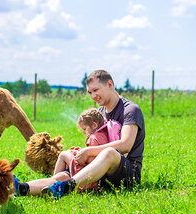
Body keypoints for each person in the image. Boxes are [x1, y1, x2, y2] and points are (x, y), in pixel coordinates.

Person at [14, 69, 145, 198]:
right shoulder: (100, 113)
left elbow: (126, 144)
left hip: (127, 174)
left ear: (110, 85)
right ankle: (21, 188)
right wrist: (82, 152)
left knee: (109, 152)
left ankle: (67, 187)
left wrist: (89, 151)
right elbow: (97, 142)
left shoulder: (130, 109)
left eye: (96, 90)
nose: (93, 96)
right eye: (90, 92)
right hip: (99, 173)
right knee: (63, 175)